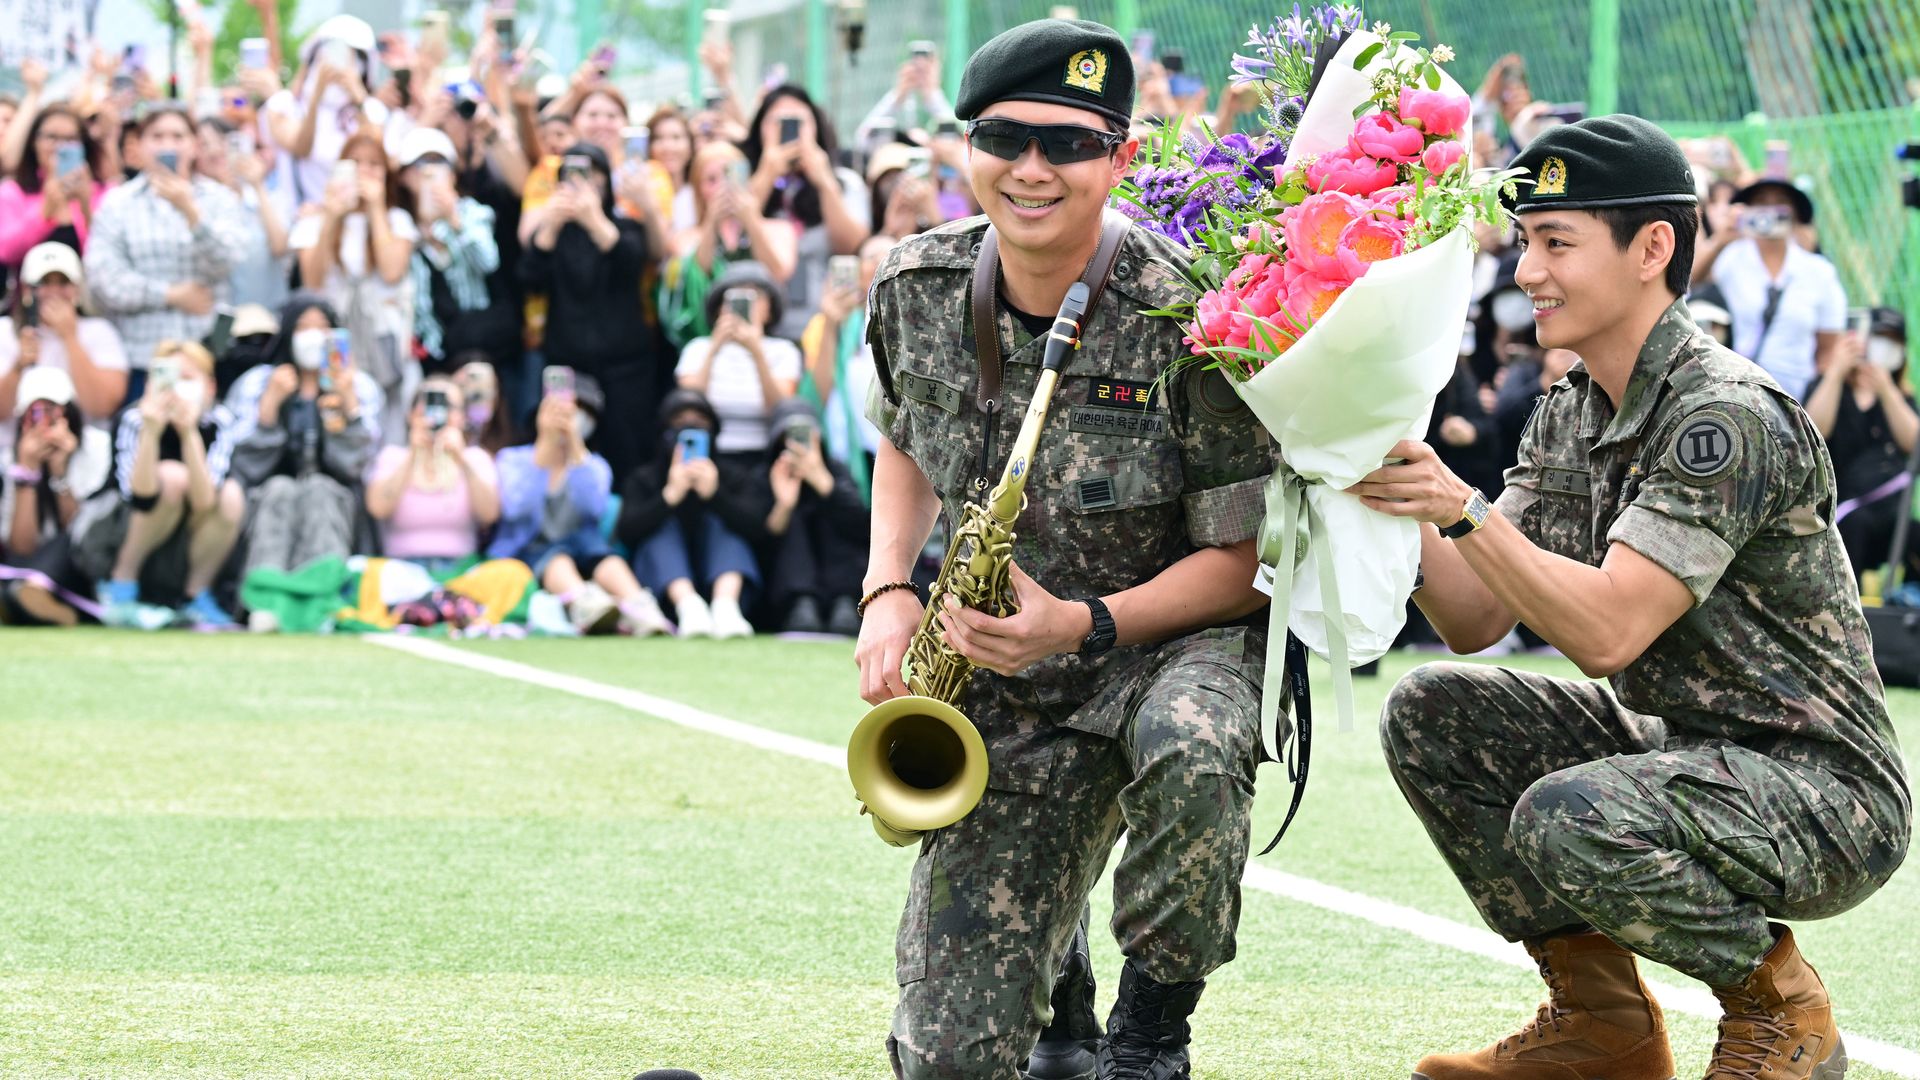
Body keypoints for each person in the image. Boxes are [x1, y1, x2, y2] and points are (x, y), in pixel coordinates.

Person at [1356, 116, 1909, 1080]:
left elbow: (1608, 630)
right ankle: (1603, 1023)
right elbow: (1475, 617)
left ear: (1654, 248)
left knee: (1571, 812)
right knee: (1432, 711)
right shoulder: (1575, 411)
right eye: (1527, 242)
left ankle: (1780, 1007)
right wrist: (1382, 476)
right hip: (1687, 754)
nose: (1528, 270)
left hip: (1823, 789)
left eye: (1556, 242)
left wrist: (1460, 507)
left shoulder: (1722, 415)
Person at [859, 20, 1276, 1079]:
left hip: (1166, 647)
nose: (1032, 169)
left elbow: (1238, 566)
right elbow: (903, 439)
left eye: (1070, 144)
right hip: (1000, 660)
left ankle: (1149, 1034)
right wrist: (887, 593)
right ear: (966, 147)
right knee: (950, 1062)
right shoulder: (915, 286)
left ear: (1120, 157)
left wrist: (1082, 623)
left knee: (1194, 747)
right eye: (1004, 137)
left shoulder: (1194, 313)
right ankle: (1059, 979)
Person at [226, 298, 380, 623]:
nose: (313, 337)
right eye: (303, 328)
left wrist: (348, 408)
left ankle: (322, 599)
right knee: (280, 489)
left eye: (322, 329)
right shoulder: (258, 382)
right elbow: (242, 465)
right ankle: (264, 600)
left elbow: (357, 465)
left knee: (320, 490)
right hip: (267, 494)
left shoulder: (358, 385)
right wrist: (269, 408)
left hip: (336, 499)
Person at [518, 143, 662, 487]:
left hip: (626, 367)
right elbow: (528, 280)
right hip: (569, 363)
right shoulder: (552, 234)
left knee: (627, 452)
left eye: (592, 176)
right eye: (572, 175)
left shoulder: (623, 226)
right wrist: (550, 226)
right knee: (566, 449)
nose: (582, 184)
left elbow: (632, 264)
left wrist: (594, 219)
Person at [74, 340, 246, 628]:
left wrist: (189, 433)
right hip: (118, 534)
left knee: (231, 496)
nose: (178, 387)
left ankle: (195, 597)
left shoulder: (220, 422)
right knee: (172, 477)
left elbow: (206, 501)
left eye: (189, 378)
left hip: (182, 541)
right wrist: (151, 433)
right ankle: (120, 588)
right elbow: (138, 497)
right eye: (170, 377)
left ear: (210, 386)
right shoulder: (133, 419)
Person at [487, 371, 672, 636]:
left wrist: (574, 446)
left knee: (597, 550)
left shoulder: (593, 465)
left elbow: (594, 507)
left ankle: (639, 606)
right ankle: (585, 603)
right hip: (529, 551)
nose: (568, 417)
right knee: (555, 556)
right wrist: (544, 447)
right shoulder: (513, 459)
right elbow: (516, 507)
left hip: (583, 548)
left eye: (578, 412)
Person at [83, 103, 248, 394]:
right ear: (141, 145)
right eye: (157, 136)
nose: (168, 145)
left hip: (207, 357)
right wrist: (170, 295)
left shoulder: (220, 200)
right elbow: (104, 280)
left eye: (178, 136)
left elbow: (231, 259)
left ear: (195, 145)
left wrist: (192, 214)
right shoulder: (118, 204)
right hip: (140, 358)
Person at [290, 131, 418, 442]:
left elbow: (390, 271)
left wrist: (375, 208)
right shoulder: (314, 222)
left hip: (383, 336)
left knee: (389, 420)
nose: (365, 171)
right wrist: (332, 217)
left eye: (374, 164)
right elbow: (312, 281)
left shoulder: (397, 220)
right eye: (356, 163)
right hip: (336, 336)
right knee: (340, 412)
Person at [615, 389, 759, 639]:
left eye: (700, 424)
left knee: (724, 525)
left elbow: (759, 530)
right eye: (679, 424)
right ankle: (688, 605)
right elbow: (626, 533)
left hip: (722, 584)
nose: (690, 430)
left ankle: (726, 607)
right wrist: (669, 497)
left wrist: (715, 496)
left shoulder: (733, 476)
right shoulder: (645, 478)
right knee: (661, 528)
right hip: (667, 596)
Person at [1694, 177, 1847, 398]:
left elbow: (1827, 349)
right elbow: (1688, 286)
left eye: (1781, 202)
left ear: (1796, 214)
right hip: (1737, 394)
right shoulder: (1730, 259)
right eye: (1761, 202)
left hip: (1796, 400)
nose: (1770, 210)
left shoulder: (1819, 272)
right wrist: (1720, 240)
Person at [740, 86, 871, 340]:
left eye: (799, 121)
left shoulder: (844, 182)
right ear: (759, 129)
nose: (790, 130)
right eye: (777, 122)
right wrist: (767, 173)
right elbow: (734, 236)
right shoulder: (745, 181)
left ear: (816, 128)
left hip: (826, 330)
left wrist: (824, 182)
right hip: (761, 333)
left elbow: (852, 245)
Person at [1805, 307, 1916, 578]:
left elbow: (1914, 444)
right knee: (1854, 527)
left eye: (1893, 340)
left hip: (1891, 513)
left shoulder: (1900, 398)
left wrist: (1886, 389)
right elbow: (1811, 432)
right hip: (1843, 511)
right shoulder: (1828, 388)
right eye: (1879, 337)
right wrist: (1836, 372)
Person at [1, 367, 113, 625]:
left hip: (83, 568)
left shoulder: (97, 448)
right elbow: (21, 547)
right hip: (31, 563)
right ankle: (30, 599)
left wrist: (59, 473)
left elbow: (83, 536)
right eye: (35, 414)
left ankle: (35, 596)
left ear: (69, 413)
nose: (44, 423)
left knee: (67, 539)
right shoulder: (12, 460)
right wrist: (26, 474)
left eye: (53, 412)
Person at [659, 141, 797, 350]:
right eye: (711, 180)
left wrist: (750, 221)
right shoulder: (685, 238)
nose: (723, 186)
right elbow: (696, 277)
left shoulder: (778, 229)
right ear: (699, 189)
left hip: (767, 344)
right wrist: (712, 223)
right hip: (709, 345)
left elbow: (778, 272)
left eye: (730, 175)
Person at [0, 242, 130, 456]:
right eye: (43, 282)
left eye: (63, 282)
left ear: (77, 288)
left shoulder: (100, 332)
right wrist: (18, 366)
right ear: (26, 289)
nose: (54, 292)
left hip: (81, 453)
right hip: (11, 452)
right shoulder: (4, 331)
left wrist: (70, 338)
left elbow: (102, 406)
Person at [674, 261, 803, 469]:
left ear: (769, 309)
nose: (745, 306)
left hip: (765, 457)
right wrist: (715, 347)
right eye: (733, 298)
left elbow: (780, 408)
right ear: (718, 308)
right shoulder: (697, 349)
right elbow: (688, 406)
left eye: (753, 297)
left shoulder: (783, 351)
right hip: (706, 454)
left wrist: (756, 351)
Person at [366, 375, 502, 569]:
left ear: (463, 417)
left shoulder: (475, 457)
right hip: (402, 571)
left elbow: (489, 514)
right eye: (429, 402)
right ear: (411, 414)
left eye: (449, 406)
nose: (438, 413)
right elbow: (378, 508)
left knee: (512, 574)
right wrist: (413, 455)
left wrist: (460, 458)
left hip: (461, 570)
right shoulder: (393, 456)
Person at [396, 127, 503, 371]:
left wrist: (454, 220)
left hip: (474, 344)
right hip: (424, 351)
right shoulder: (398, 223)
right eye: (420, 163)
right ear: (404, 175)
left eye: (439, 162)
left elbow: (488, 262)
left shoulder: (472, 213)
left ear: (453, 174)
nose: (429, 171)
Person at [799, 232, 896, 502]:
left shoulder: (917, 321)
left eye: (888, 254)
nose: (880, 262)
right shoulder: (829, 322)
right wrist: (831, 323)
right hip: (853, 457)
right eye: (870, 257)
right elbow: (816, 394)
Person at [757, 400, 867, 635]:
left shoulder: (835, 469)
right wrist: (784, 505)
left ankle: (844, 602)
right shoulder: (765, 475)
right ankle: (801, 602)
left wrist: (823, 483)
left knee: (834, 516)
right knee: (795, 519)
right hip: (788, 589)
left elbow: (863, 528)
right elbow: (760, 539)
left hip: (843, 584)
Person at [192, 116, 292, 313]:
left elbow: (280, 247)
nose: (214, 150)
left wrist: (257, 185)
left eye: (222, 141)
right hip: (218, 318)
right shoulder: (193, 202)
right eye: (204, 144)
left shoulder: (267, 196)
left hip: (267, 318)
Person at [0, 103, 111, 278]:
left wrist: (85, 207)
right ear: (33, 142)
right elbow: (6, 252)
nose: (60, 147)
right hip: (29, 299)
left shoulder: (104, 193)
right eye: (51, 137)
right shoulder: (13, 192)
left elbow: (108, 256)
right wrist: (45, 212)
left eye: (70, 139)